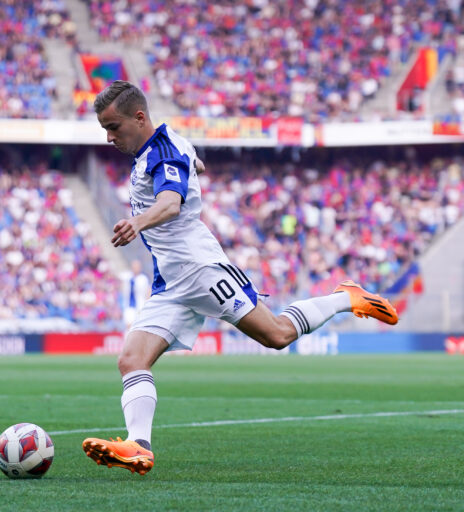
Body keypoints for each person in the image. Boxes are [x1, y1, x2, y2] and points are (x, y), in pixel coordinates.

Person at [81, 81, 398, 475]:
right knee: (131, 360)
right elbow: (193, 164)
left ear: (140, 117)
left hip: (201, 269)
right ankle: (138, 447)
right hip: (171, 283)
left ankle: (345, 297)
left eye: (114, 127)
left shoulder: (162, 152)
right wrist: (191, 166)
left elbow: (171, 202)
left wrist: (137, 222)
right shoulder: (162, 147)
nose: (109, 137)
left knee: (277, 335)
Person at [120, 259, 150, 329]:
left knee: (138, 326)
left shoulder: (143, 279)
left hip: (140, 306)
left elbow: (148, 292)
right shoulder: (127, 276)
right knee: (128, 325)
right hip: (128, 305)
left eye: (137, 267)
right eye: (134, 266)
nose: (135, 268)